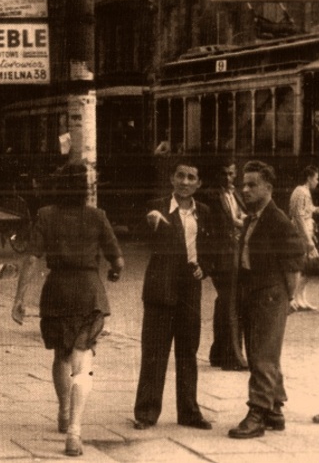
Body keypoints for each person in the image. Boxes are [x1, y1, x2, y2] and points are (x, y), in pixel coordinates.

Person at [11, 163, 124, 457]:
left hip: (57, 291)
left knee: (61, 355)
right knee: (83, 359)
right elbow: (117, 259)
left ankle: (63, 408)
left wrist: (19, 299)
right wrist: (114, 272)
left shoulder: (46, 215)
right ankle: (75, 430)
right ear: (86, 188)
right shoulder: (97, 216)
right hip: (88, 292)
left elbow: (33, 259)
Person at [132, 158, 214, 432]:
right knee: (154, 351)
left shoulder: (204, 211)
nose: (185, 182)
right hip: (161, 287)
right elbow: (139, 238)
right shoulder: (155, 208)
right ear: (172, 179)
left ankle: (189, 411)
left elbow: (216, 246)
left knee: (188, 351)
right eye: (181, 176)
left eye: (192, 178)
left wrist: (206, 268)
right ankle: (146, 412)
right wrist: (150, 224)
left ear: (199, 183)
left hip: (190, 287)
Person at [228, 160, 305, 439]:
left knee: (261, 354)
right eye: (243, 184)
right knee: (265, 351)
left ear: (268, 188)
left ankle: (257, 413)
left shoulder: (278, 220)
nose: (245, 189)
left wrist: (288, 297)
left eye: (252, 185)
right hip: (254, 291)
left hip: (270, 294)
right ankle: (274, 408)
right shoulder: (253, 217)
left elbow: (295, 262)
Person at [202, 159, 248, 371]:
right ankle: (233, 358)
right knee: (231, 304)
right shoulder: (211, 196)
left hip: (236, 255)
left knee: (226, 303)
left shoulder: (236, 194)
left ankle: (218, 353)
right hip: (221, 257)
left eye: (231, 173)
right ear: (217, 175)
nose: (229, 178)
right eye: (224, 174)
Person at [288, 165, 319, 312]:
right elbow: (299, 216)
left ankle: (301, 298)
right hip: (302, 235)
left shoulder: (304, 192)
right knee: (305, 266)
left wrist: (315, 209)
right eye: (316, 178)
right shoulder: (301, 192)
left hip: (306, 233)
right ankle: (296, 298)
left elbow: (304, 210)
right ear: (309, 178)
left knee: (307, 267)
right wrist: (308, 240)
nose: (318, 181)